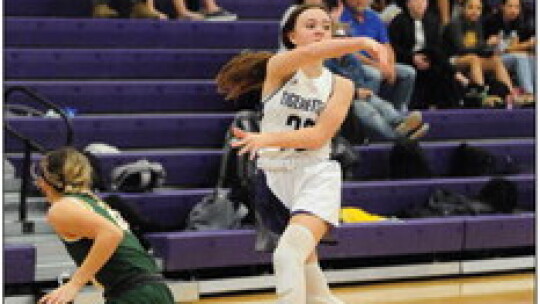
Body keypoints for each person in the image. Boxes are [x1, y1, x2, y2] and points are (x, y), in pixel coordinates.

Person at [216, 4, 386, 303]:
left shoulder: (341, 85)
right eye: (310, 25)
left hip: (314, 173)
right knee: (316, 290)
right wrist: (358, 42)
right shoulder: (279, 68)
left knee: (288, 255)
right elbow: (309, 56)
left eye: (325, 25)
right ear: (292, 36)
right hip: (272, 179)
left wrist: (267, 137)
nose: (320, 30)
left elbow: (318, 136)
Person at [33, 147, 174, 304]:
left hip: (134, 293)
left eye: (40, 174)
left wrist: (74, 284)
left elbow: (111, 233)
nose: (37, 181)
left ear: (49, 180)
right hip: (154, 289)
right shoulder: (93, 201)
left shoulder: (62, 207)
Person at [339, 0, 416, 113]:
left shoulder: (374, 17)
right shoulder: (340, 18)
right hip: (355, 64)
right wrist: (376, 65)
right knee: (374, 74)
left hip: (379, 62)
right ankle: (370, 114)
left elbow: (387, 46)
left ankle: (398, 112)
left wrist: (390, 65)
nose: (360, 1)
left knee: (408, 73)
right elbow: (349, 51)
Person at [389, 0, 469, 108]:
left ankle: (453, 106)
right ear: (408, 4)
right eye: (417, 1)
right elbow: (394, 49)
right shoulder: (398, 22)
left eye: (424, 1)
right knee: (436, 69)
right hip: (407, 59)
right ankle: (455, 75)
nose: (421, 4)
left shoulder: (432, 21)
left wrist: (427, 58)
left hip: (429, 59)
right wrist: (412, 58)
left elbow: (437, 48)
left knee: (441, 67)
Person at [442, 0, 518, 105]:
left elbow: (480, 48)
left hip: (471, 57)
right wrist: (486, 44)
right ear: (462, 8)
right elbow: (460, 49)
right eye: (471, 7)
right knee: (474, 58)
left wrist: (490, 50)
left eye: (478, 9)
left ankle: (511, 95)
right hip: (452, 60)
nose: (475, 11)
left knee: (495, 60)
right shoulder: (455, 24)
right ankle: (482, 96)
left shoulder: (478, 24)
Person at [483, 0, 535, 103]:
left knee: (533, 59)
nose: (513, 10)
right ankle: (529, 94)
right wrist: (520, 47)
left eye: (516, 7)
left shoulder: (521, 22)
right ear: (502, 7)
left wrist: (516, 48)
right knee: (520, 57)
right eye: (510, 6)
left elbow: (531, 44)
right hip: (492, 60)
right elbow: (497, 49)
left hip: (509, 57)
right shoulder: (491, 21)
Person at [146, 0, 237, 20]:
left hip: (189, 6)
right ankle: (183, 12)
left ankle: (212, 9)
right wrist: (152, 10)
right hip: (164, 6)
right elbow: (149, 7)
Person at [92, 0, 162, 19]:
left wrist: (151, 9)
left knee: (151, 17)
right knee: (101, 13)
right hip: (105, 4)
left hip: (134, 6)